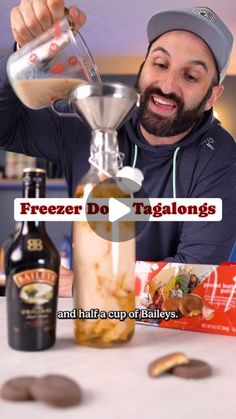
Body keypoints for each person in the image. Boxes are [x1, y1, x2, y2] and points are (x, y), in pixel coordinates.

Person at [0, 3, 236, 295]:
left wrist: (84, 284)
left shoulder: (219, 155)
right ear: (144, 65)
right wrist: (23, 51)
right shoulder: (95, 116)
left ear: (212, 96)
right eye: (160, 64)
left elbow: (193, 274)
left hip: (169, 331)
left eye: (191, 76)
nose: (167, 84)